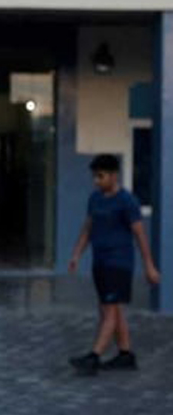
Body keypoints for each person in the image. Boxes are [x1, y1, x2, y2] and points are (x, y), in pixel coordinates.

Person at [67, 154, 161, 376]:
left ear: (113, 175)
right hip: (100, 262)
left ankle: (93, 357)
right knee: (113, 309)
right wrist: (76, 255)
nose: (96, 181)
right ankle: (126, 355)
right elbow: (87, 229)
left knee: (108, 312)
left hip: (118, 263)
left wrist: (149, 265)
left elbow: (140, 235)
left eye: (100, 176)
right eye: (94, 176)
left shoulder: (127, 202)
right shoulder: (95, 199)